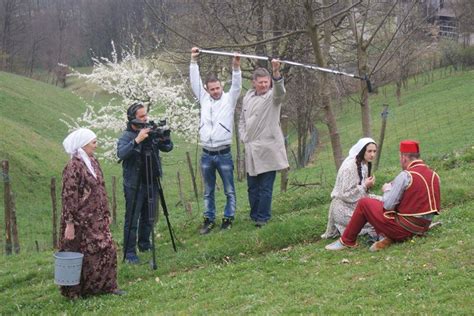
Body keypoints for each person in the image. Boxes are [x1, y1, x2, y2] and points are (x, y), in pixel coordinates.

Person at [325, 140, 441, 251]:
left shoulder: (405, 175)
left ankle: (347, 241)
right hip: (423, 227)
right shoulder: (434, 175)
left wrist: (387, 189)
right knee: (376, 205)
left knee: (364, 203)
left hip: (404, 229)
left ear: (404, 157)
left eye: (400, 158)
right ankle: (384, 236)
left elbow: (388, 205)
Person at [59, 128, 124, 298]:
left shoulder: (93, 162)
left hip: (97, 218)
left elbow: (100, 188)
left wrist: (107, 212)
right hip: (81, 221)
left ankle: (107, 286)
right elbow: (69, 196)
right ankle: (75, 292)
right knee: (80, 255)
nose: (96, 145)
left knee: (107, 249)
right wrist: (70, 223)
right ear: (83, 144)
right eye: (93, 142)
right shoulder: (73, 167)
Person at [190, 47, 242, 234]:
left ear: (221, 87)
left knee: (229, 189)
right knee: (208, 191)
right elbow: (194, 82)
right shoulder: (204, 99)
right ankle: (208, 219)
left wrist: (236, 66)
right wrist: (194, 61)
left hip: (224, 153)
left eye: (218, 88)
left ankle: (228, 218)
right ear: (207, 89)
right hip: (206, 154)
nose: (215, 91)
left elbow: (236, 85)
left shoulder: (229, 99)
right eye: (212, 89)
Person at [117, 103, 173, 264]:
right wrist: (137, 140)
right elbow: (121, 153)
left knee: (149, 216)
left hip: (151, 180)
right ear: (132, 118)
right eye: (141, 116)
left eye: (145, 115)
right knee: (132, 218)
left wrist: (164, 137)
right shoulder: (126, 136)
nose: (145, 118)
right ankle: (129, 253)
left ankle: (144, 243)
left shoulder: (150, 131)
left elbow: (168, 148)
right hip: (134, 183)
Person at [238, 60, 289, 227]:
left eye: (266, 82)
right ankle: (254, 215)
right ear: (254, 83)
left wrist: (276, 72)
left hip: (268, 149)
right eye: (260, 82)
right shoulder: (248, 97)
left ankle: (263, 218)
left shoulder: (272, 97)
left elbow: (280, 91)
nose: (263, 85)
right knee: (252, 187)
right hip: (251, 148)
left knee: (266, 187)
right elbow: (242, 120)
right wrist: (243, 136)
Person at [321, 138, 378, 239]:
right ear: (362, 150)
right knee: (374, 220)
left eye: (374, 151)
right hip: (342, 208)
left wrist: (366, 186)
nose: (372, 155)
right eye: (369, 151)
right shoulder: (349, 167)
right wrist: (365, 185)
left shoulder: (363, 163)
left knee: (384, 201)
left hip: (356, 203)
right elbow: (345, 195)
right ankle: (344, 228)